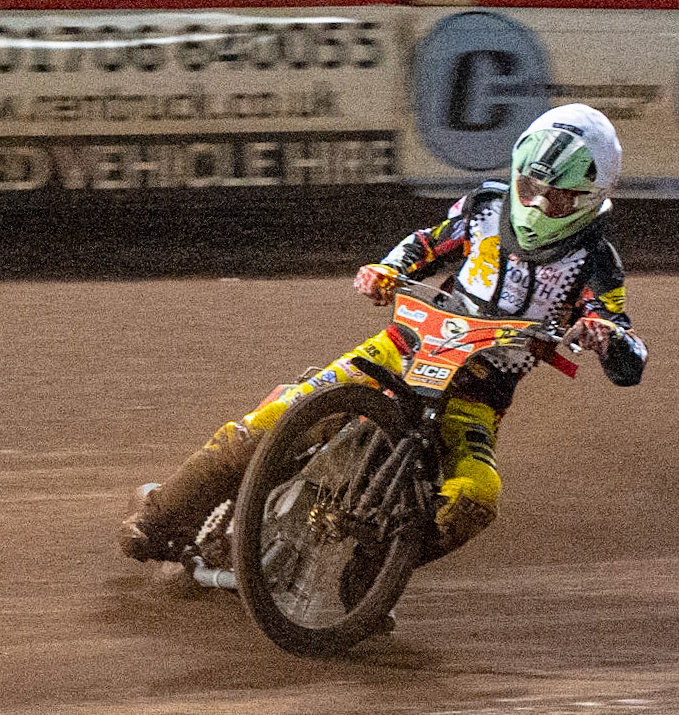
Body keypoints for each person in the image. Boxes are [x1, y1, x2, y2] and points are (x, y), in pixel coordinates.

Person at [119, 103, 646, 566]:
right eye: (528, 187)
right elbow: (425, 243)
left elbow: (629, 356)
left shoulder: (597, 265)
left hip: (476, 397)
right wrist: (386, 270)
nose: (534, 206)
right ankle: (163, 516)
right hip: (400, 349)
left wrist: (606, 337)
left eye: (556, 199)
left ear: (589, 199)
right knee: (274, 420)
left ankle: (372, 576)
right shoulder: (484, 209)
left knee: (475, 498)